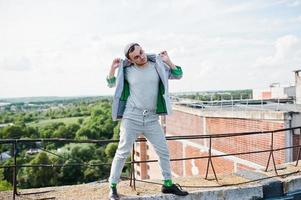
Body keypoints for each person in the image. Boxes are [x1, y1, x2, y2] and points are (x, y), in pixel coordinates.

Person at [106, 43, 188, 200]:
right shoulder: (127, 70)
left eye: (141, 52)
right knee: (122, 152)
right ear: (130, 59)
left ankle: (168, 184)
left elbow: (178, 74)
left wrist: (168, 60)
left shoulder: (157, 64)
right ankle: (113, 187)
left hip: (151, 118)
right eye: (136, 56)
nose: (141, 56)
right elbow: (111, 83)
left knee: (163, 151)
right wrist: (113, 68)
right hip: (132, 117)